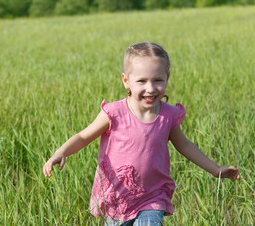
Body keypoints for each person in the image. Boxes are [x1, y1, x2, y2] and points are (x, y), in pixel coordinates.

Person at [43, 42, 240, 226]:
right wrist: (61, 153)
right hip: (117, 197)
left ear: (167, 79)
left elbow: (185, 146)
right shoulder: (114, 113)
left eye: (158, 80)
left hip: (153, 196)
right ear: (126, 81)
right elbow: (83, 136)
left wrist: (215, 169)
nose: (151, 88)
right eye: (142, 81)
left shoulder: (168, 115)